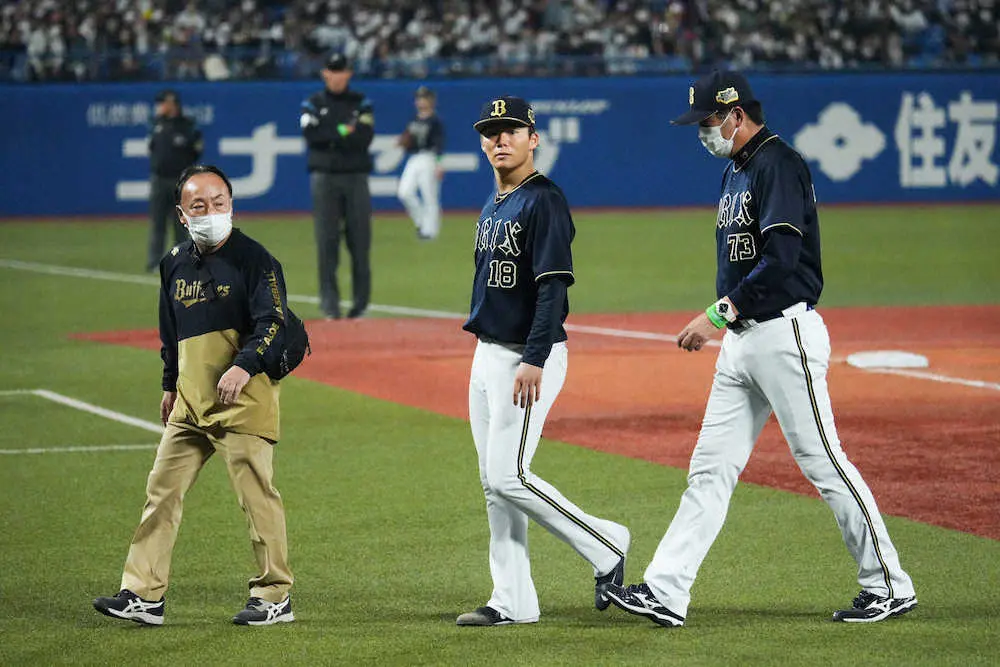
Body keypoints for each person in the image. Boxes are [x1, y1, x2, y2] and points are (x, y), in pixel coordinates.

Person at [603, 71, 917, 627]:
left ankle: (889, 583)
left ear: (736, 115)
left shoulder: (778, 164)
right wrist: (729, 320)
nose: (703, 132)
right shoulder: (736, 171)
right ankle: (666, 591)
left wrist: (717, 314)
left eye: (708, 122)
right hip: (744, 343)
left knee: (823, 461)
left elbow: (782, 262)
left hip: (784, 332)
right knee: (710, 470)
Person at [93, 165, 296, 627]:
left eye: (219, 203)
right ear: (183, 215)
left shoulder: (255, 260)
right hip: (189, 404)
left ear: (232, 205)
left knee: (256, 498)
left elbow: (274, 323)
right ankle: (143, 594)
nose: (211, 213)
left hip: (243, 402)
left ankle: (274, 594)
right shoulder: (174, 262)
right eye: (199, 206)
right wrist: (169, 384)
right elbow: (171, 331)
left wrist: (244, 365)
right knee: (160, 492)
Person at [456, 96, 630, 627]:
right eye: (491, 132)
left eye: (510, 130)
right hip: (487, 356)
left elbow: (552, 287)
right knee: (494, 483)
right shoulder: (494, 202)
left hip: (525, 359)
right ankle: (512, 601)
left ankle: (607, 544)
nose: (499, 140)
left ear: (534, 138)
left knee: (509, 476)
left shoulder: (544, 200)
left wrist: (532, 357)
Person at [300, 53, 374, 319]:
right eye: (332, 70)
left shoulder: (361, 103)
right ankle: (330, 305)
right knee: (326, 242)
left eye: (341, 70)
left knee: (359, 242)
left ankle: (360, 305)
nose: (337, 75)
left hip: (355, 177)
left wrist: (330, 134)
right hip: (325, 178)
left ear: (349, 73)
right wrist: (344, 131)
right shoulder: (312, 103)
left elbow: (364, 137)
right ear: (325, 74)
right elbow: (312, 136)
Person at [146, 89, 203, 272]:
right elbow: (152, 149)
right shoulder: (155, 125)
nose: (160, 106)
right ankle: (155, 262)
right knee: (158, 224)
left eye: (164, 102)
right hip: (159, 180)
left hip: (180, 182)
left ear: (173, 104)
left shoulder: (187, 127)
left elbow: (196, 152)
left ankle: (183, 262)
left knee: (181, 225)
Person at [396, 85, 445, 240]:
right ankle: (421, 223)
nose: (421, 101)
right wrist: (403, 142)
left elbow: (439, 145)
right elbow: (409, 140)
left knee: (429, 196)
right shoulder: (414, 119)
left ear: (431, 100)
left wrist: (439, 164)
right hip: (414, 158)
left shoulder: (435, 120)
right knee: (404, 192)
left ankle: (430, 232)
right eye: (419, 98)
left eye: (424, 98)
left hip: (429, 158)